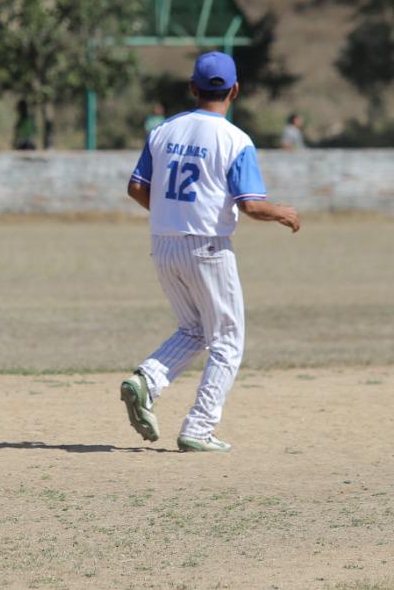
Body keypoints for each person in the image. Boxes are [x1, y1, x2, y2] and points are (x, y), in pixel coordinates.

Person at [118, 51, 301, 454]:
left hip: (164, 243)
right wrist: (282, 212)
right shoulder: (235, 139)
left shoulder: (164, 130)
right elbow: (251, 204)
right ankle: (198, 428)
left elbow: (136, 187)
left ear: (192, 88)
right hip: (208, 247)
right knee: (228, 340)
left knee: (194, 330)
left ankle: (147, 379)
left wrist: (171, 213)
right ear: (235, 90)